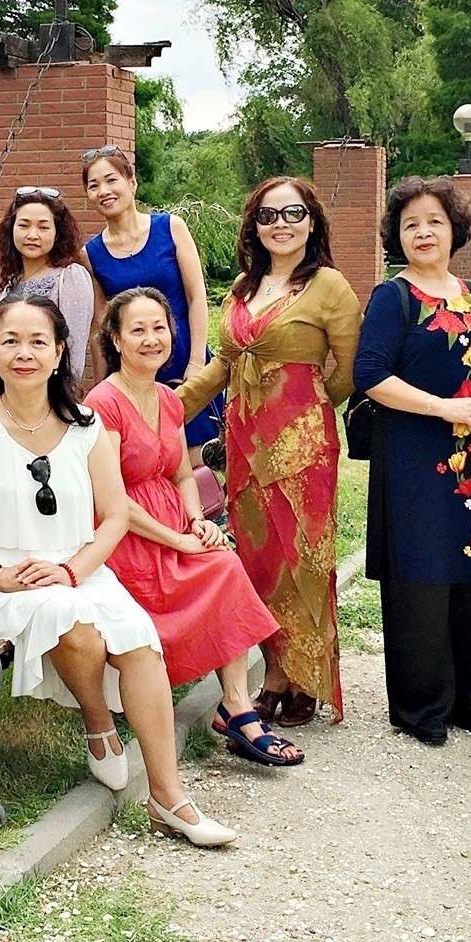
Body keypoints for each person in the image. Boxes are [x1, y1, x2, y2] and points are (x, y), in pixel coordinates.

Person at [0, 296, 238, 845]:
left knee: (140, 642)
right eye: (11, 341)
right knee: (76, 627)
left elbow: (113, 516)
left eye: (38, 341)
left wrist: (73, 569)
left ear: (60, 351)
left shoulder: (86, 425)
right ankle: (98, 721)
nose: (24, 353)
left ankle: (169, 798)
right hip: (7, 583)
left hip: (79, 570)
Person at [85, 288, 302, 766]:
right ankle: (236, 709)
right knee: (210, 569)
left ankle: (235, 705)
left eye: (158, 328)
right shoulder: (103, 403)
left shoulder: (168, 398)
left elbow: (183, 473)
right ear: (116, 340)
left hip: (173, 522)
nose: (151, 339)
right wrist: (177, 540)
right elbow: (110, 498)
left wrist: (197, 521)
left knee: (223, 561)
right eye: (137, 330)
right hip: (125, 534)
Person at [177, 177, 360, 728]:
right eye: (268, 215)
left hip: (302, 450)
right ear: (254, 226)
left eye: (293, 213)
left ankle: (301, 680)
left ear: (312, 221)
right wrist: (161, 411)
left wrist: (302, 410)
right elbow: (223, 365)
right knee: (258, 563)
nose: (280, 224)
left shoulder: (329, 286)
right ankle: (275, 672)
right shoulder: (242, 287)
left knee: (302, 561)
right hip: (243, 446)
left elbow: (347, 372)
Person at [354, 178, 471, 747]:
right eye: (411, 224)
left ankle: (460, 699)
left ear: (455, 230)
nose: (423, 232)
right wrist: (441, 407)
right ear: (397, 236)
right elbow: (369, 375)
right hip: (413, 461)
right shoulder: (391, 297)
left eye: (434, 222)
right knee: (419, 578)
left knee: (468, 577)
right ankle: (420, 707)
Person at [80, 146, 221, 470]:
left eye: (111, 180)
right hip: (133, 369)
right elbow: (100, 326)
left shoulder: (171, 227)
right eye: (93, 185)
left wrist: (196, 363)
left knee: (205, 455)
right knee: (146, 458)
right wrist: (102, 385)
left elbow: (196, 297)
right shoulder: (91, 253)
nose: (103, 191)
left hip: (184, 356)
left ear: (131, 182)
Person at [0, 186, 95, 376]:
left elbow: (73, 354)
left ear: (57, 233)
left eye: (43, 227)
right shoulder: (12, 283)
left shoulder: (70, 277)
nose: (32, 235)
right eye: (24, 225)